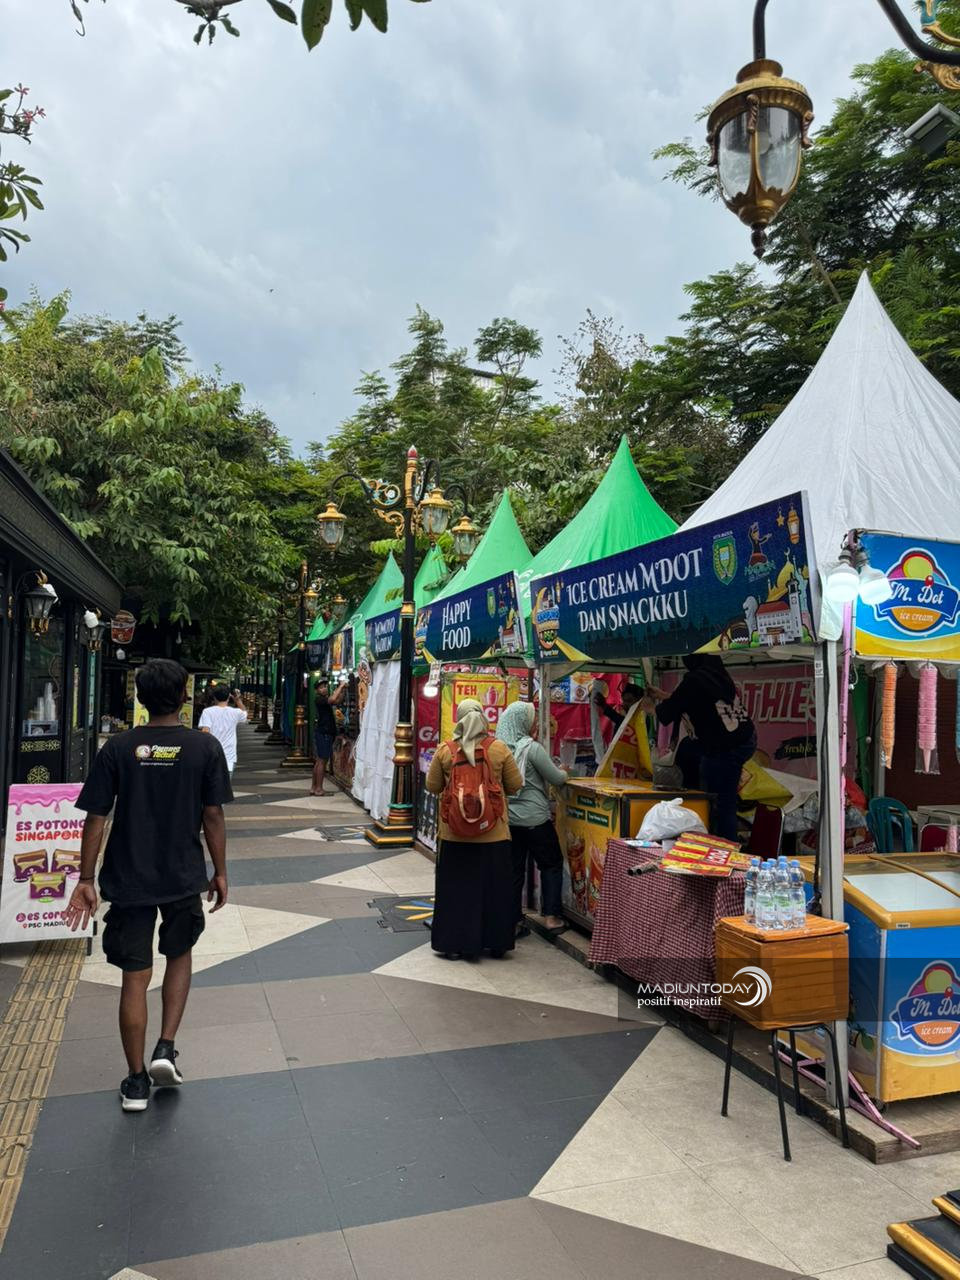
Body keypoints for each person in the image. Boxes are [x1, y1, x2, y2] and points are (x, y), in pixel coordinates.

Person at [64, 658, 233, 1113]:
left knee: (134, 977)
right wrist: (219, 871)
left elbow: (96, 817)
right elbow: (213, 815)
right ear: (184, 696)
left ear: (140, 698)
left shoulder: (118, 748)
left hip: (128, 877)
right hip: (182, 874)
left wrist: (85, 878)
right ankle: (165, 1047)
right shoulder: (203, 748)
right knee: (179, 954)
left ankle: (136, 1080)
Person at [426, 698, 523, 959]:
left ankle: (454, 944)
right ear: (482, 717)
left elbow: (432, 786)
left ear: (459, 718)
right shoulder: (498, 748)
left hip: (454, 836)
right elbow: (515, 785)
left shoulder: (445, 750)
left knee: (456, 892)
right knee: (495, 891)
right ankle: (496, 943)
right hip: (494, 837)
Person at [644, 655, 756, 842]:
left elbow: (667, 714)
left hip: (726, 745)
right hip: (746, 737)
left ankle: (725, 846)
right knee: (690, 749)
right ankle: (706, 816)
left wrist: (650, 708)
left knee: (722, 803)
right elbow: (693, 699)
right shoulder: (718, 675)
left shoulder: (693, 680)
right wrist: (663, 695)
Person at [496, 701, 568, 937]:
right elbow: (556, 778)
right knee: (551, 864)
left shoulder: (498, 748)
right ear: (522, 723)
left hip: (509, 821)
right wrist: (564, 770)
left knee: (513, 871)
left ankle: (512, 922)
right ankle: (551, 918)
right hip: (535, 820)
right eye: (532, 720)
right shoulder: (532, 748)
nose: (535, 724)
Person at [199, 684, 247, 775]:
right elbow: (244, 713)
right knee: (226, 783)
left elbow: (205, 732)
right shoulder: (235, 712)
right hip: (229, 758)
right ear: (229, 696)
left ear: (214, 697)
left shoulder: (207, 712)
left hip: (211, 756)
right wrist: (237, 700)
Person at [312, 680, 345, 796]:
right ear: (317, 690)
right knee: (322, 761)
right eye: (321, 687)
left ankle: (314, 788)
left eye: (325, 686)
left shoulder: (324, 699)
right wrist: (341, 686)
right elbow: (332, 699)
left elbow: (337, 700)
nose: (324, 688)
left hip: (325, 733)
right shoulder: (319, 699)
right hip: (324, 733)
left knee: (319, 761)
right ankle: (319, 789)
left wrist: (342, 689)